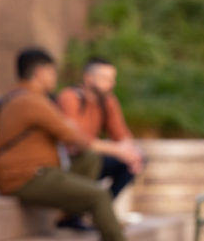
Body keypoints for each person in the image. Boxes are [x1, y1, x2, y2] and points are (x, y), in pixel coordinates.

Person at [0, 48, 159, 241]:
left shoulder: (23, 97)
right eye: (52, 72)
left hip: (38, 171)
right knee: (98, 195)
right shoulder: (31, 102)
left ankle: (72, 218)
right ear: (40, 72)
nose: (55, 77)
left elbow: (98, 137)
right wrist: (107, 145)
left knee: (89, 159)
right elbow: (74, 137)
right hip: (26, 176)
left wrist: (127, 151)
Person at [55, 57, 143, 215]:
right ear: (88, 78)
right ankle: (77, 214)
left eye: (112, 79)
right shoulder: (70, 97)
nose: (110, 84)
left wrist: (132, 154)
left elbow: (121, 134)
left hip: (92, 157)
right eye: (104, 78)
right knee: (90, 157)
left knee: (132, 162)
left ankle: (101, 210)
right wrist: (117, 150)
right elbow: (76, 139)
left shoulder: (107, 101)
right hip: (70, 161)